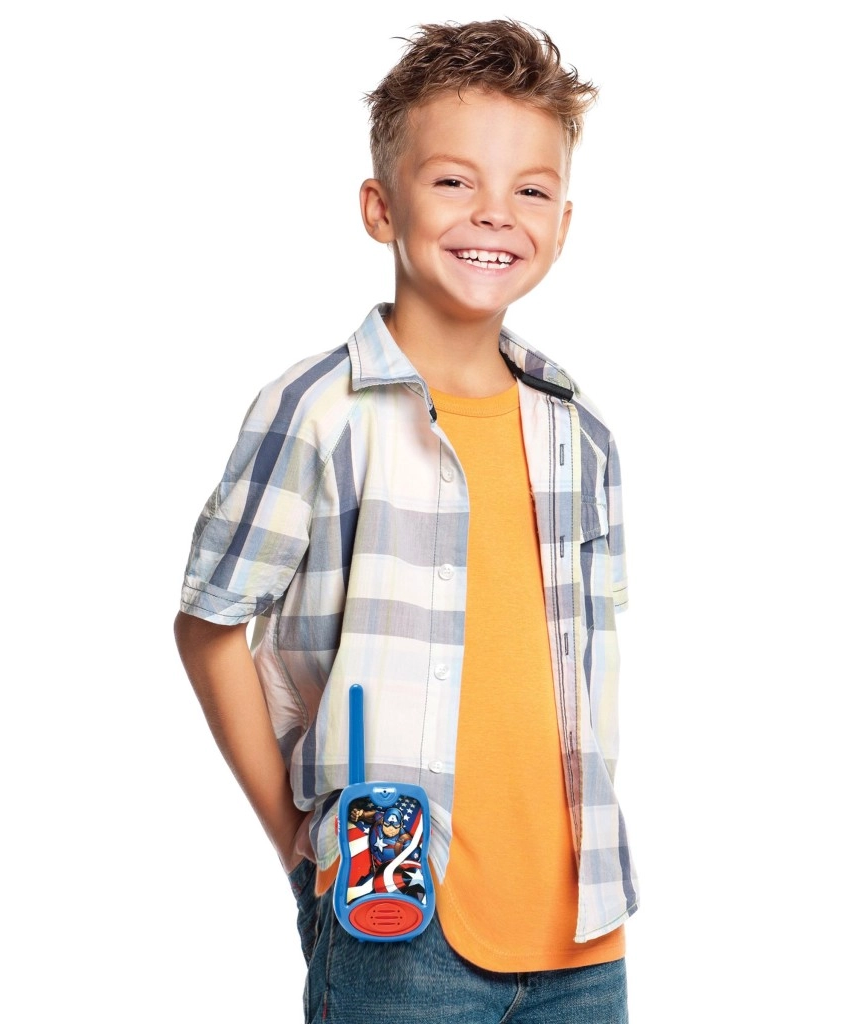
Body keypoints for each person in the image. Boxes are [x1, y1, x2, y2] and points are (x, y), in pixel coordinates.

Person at [174, 19, 638, 1023]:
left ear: (564, 223)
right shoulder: (318, 410)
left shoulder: (579, 430)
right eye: (454, 180)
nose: (494, 213)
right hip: (396, 915)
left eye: (530, 190)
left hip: (583, 931)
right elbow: (209, 624)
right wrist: (297, 841)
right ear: (380, 207)